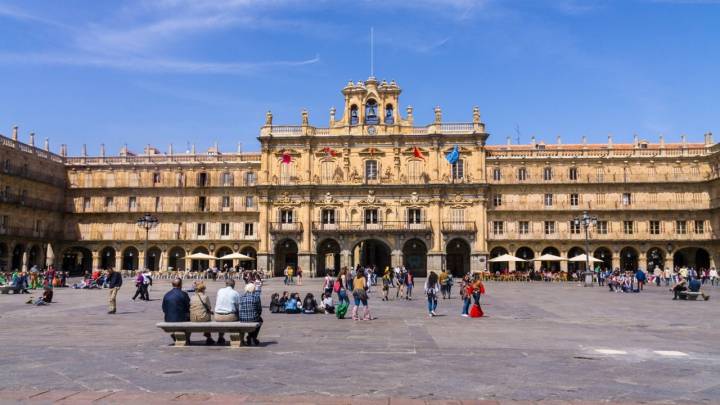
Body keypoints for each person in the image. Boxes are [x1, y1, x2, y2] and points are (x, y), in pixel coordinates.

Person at [161, 278, 191, 344]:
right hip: (181, 319)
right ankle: (187, 337)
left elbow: (163, 308)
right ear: (181, 285)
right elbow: (189, 307)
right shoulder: (184, 294)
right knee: (190, 317)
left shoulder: (167, 294)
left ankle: (176, 335)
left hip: (168, 319)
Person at [214, 279, 241, 345]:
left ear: (226, 284)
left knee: (222, 317)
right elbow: (238, 306)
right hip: (230, 317)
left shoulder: (220, 291)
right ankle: (237, 337)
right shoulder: (235, 293)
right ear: (233, 285)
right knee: (238, 315)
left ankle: (220, 337)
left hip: (217, 316)